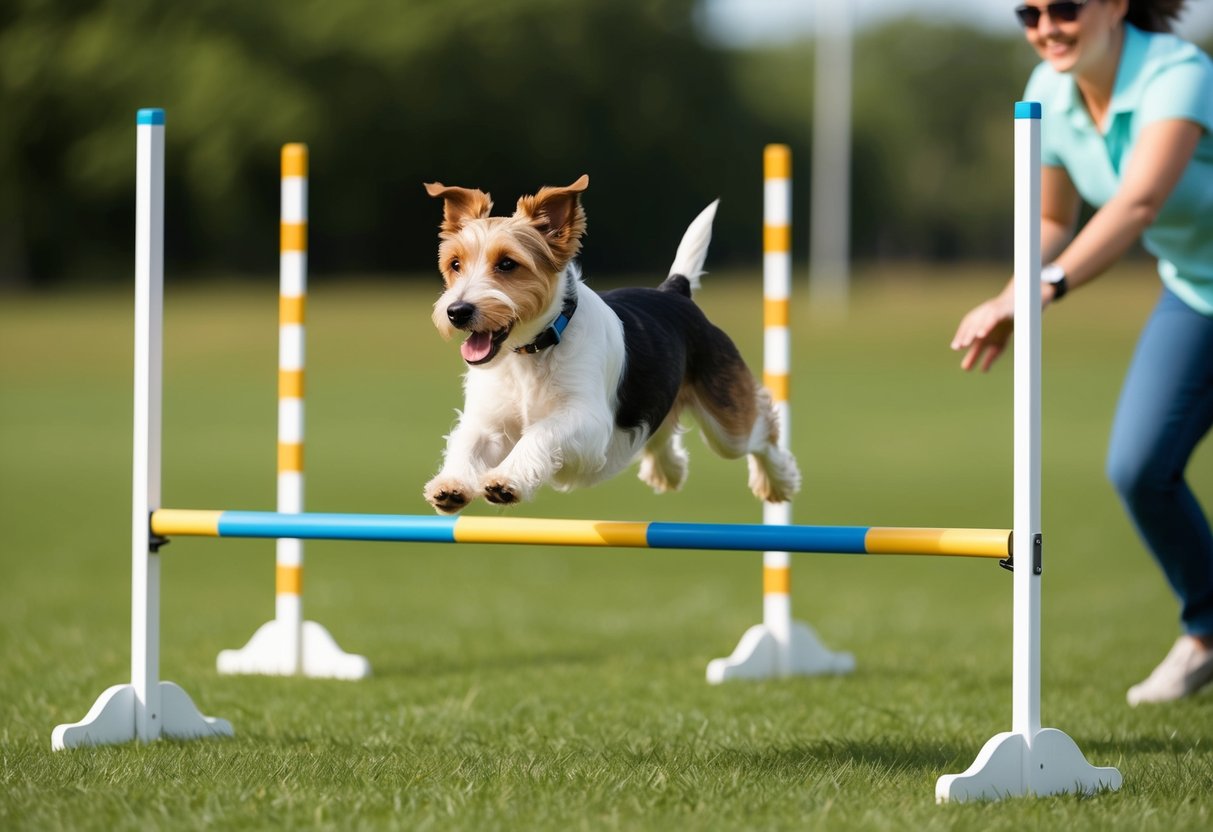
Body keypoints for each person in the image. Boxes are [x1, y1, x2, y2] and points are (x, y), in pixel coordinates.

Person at [951, 0, 1213, 704]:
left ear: (1115, 5)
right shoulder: (1047, 91)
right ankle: (1207, 631)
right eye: (1026, 13)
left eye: (1063, 8)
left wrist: (1050, 285)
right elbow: (1050, 218)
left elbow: (1137, 204)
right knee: (1138, 469)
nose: (1045, 28)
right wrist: (1012, 295)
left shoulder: (1177, 72)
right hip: (1197, 295)